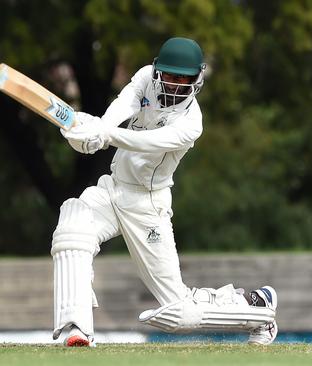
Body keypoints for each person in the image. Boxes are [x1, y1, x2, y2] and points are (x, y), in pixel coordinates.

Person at [53, 37, 278, 347]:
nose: (174, 84)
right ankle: (75, 329)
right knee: (71, 228)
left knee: (179, 313)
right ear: (158, 71)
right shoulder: (146, 76)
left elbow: (147, 142)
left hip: (147, 206)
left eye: (182, 78)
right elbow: (126, 103)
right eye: (169, 75)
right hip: (113, 188)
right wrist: (94, 130)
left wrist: (104, 135)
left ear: (196, 79)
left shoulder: (191, 123)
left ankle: (258, 309)